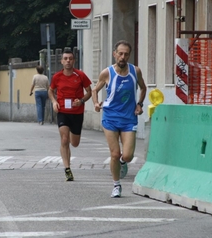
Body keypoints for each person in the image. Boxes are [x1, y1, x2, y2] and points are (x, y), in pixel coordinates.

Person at [92, 40, 147, 198]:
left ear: (129, 55)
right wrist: (96, 103)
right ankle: (116, 185)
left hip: (129, 118)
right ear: (114, 54)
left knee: (128, 155)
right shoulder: (107, 73)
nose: (123, 57)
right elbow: (95, 90)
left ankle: (123, 164)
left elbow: (143, 88)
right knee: (115, 153)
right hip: (110, 117)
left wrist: (140, 104)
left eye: (126, 54)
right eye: (120, 53)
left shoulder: (135, 71)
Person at [48, 49, 92, 181]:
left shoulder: (80, 75)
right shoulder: (57, 77)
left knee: (75, 143)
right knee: (64, 140)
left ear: (74, 61)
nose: (68, 61)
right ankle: (67, 168)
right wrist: (54, 102)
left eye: (70, 58)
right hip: (62, 112)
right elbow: (50, 91)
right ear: (61, 61)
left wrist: (82, 101)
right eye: (65, 58)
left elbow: (89, 91)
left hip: (77, 113)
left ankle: (68, 162)